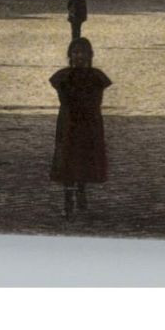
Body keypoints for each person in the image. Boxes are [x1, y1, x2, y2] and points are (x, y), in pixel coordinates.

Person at [50, 36, 111, 218]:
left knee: (85, 158)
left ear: (90, 56)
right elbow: (65, 99)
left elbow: (94, 100)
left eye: (83, 53)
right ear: (70, 55)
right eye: (75, 53)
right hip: (69, 123)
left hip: (89, 123)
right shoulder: (63, 78)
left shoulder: (97, 78)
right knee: (68, 157)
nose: (79, 57)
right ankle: (68, 200)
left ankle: (81, 190)